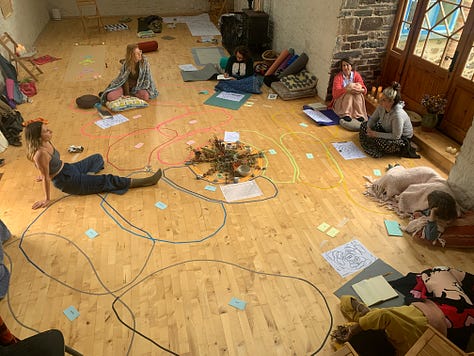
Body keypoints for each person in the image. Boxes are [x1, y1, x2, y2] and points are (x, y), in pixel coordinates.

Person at [24, 118, 162, 210]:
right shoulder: (40, 153)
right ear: (37, 137)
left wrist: (45, 173)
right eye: (46, 131)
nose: (50, 132)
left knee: (97, 158)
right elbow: (46, 175)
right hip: (67, 181)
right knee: (107, 179)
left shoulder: (46, 141)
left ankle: (89, 179)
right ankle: (145, 181)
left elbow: (46, 170)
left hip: (68, 168)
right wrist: (46, 198)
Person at [332, 266, 474, 355]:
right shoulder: (395, 326)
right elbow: (382, 315)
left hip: (453, 329)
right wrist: (355, 330)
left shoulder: (402, 348)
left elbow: (347, 302)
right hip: (452, 312)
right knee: (439, 271)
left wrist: (361, 316)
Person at [359, 81, 419, 158]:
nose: (380, 101)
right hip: (386, 130)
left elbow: (396, 136)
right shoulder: (381, 106)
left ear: (391, 102)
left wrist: (375, 134)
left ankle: (408, 146)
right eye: (381, 98)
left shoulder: (397, 115)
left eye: (384, 100)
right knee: (363, 125)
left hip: (400, 138)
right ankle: (373, 144)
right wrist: (369, 127)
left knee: (383, 143)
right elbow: (373, 119)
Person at [329, 57, 368, 123]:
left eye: (347, 65)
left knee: (358, 93)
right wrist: (346, 89)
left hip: (354, 99)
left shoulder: (356, 75)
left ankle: (358, 114)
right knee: (349, 93)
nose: (345, 67)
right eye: (343, 65)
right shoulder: (338, 77)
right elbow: (335, 95)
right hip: (341, 101)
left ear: (351, 66)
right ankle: (346, 114)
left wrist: (360, 90)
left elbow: (364, 89)